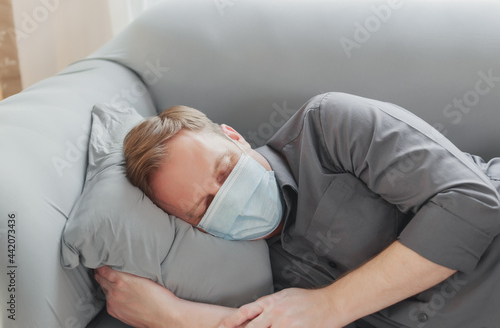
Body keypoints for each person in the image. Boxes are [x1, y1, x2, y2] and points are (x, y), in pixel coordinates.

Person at [94, 92, 500, 328]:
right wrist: (175, 316)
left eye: (225, 170)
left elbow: (472, 203)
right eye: (203, 206)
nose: (227, 195)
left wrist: (331, 305)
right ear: (189, 225)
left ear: (234, 138)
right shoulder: (247, 269)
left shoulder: (327, 127)